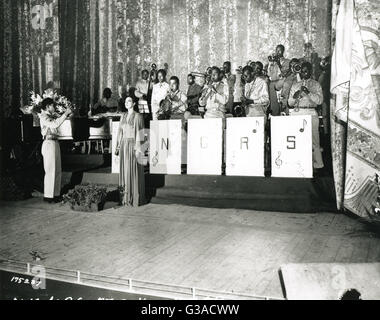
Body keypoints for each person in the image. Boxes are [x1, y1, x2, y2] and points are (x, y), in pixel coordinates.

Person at [288, 62, 324, 170]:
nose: (304, 73)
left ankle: (318, 164)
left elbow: (320, 101)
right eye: (302, 71)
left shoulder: (316, 84)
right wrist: (294, 97)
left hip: (311, 112)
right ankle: (299, 164)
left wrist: (308, 93)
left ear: (310, 71)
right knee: (298, 141)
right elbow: (289, 103)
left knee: (314, 141)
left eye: (306, 71)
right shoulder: (295, 85)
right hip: (297, 113)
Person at [38, 98, 72, 203]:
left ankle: (56, 194)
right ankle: (49, 195)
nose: (54, 107)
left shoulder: (52, 115)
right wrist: (65, 114)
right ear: (48, 106)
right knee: (50, 170)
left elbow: (59, 120)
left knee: (57, 169)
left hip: (55, 142)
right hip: (48, 143)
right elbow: (54, 124)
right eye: (52, 105)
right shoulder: (43, 116)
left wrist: (67, 113)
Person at [115, 96, 146, 207]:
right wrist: (117, 147)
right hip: (124, 145)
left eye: (129, 101)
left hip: (133, 145)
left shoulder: (138, 116)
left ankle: (134, 198)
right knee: (125, 170)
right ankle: (125, 198)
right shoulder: (122, 116)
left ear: (134, 103)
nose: (127, 103)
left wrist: (138, 149)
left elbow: (140, 133)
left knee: (132, 170)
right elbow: (119, 133)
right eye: (126, 101)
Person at [267, 45, 290, 116]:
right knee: (270, 85)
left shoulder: (287, 61)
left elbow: (285, 73)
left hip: (283, 82)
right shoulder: (273, 62)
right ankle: (274, 112)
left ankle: (284, 109)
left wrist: (278, 63)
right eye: (276, 50)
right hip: (274, 83)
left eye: (279, 50)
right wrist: (270, 63)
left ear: (283, 51)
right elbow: (269, 74)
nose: (277, 52)